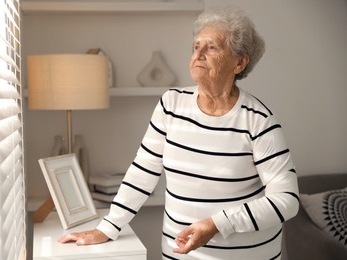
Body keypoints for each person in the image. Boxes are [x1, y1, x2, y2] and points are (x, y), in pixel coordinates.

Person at [59, 6, 299, 260]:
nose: (199, 54)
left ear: (239, 63)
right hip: (180, 254)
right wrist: (108, 227)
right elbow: (143, 171)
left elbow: (287, 199)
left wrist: (217, 224)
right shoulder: (171, 104)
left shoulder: (259, 120)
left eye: (212, 47)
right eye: (196, 46)